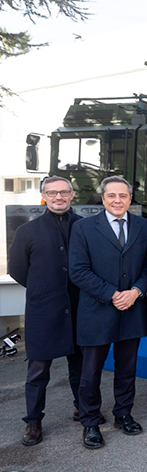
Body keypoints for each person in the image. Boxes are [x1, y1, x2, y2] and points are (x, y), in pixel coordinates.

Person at [69, 176, 147, 449]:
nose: (118, 200)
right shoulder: (83, 228)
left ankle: (123, 414)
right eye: (112, 195)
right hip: (97, 310)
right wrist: (112, 294)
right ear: (103, 198)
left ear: (130, 198)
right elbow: (78, 270)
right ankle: (90, 422)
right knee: (90, 371)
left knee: (127, 368)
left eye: (123, 195)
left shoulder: (143, 226)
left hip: (132, 309)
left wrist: (136, 291)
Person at [9, 176, 85, 446]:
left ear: (72, 195)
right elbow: (18, 269)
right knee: (38, 370)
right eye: (52, 193)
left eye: (63, 192)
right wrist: (44, 289)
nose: (58, 197)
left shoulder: (84, 226)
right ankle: (33, 420)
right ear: (44, 196)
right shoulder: (27, 231)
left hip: (79, 307)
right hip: (43, 310)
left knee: (80, 365)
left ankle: (83, 408)